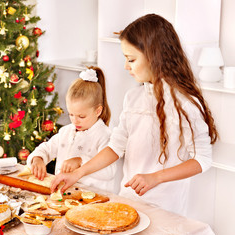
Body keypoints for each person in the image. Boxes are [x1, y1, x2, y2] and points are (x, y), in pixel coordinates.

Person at [51, 14, 218, 215]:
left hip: (166, 207)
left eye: (131, 59)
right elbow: (115, 147)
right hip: (129, 199)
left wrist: (155, 177)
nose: (126, 66)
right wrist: (77, 174)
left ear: (154, 56)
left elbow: (202, 160)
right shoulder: (133, 97)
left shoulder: (186, 103)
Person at [27, 66, 118, 192]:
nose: (75, 121)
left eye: (81, 116)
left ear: (98, 111)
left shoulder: (104, 135)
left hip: (93, 199)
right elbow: (47, 149)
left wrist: (80, 161)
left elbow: (110, 171)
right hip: (63, 194)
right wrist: (38, 158)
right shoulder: (66, 132)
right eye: (71, 114)